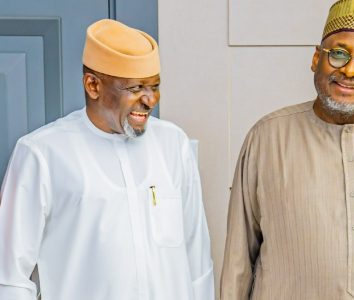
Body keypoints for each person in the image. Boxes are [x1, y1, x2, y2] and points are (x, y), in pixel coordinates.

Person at [220, 0, 354, 299]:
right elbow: (237, 261)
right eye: (338, 54)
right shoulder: (267, 138)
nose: (349, 70)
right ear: (315, 59)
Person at [0, 19, 214, 300]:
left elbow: (197, 263)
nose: (150, 100)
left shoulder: (174, 145)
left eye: (154, 86)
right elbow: (10, 278)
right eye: (136, 88)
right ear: (93, 85)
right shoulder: (42, 154)